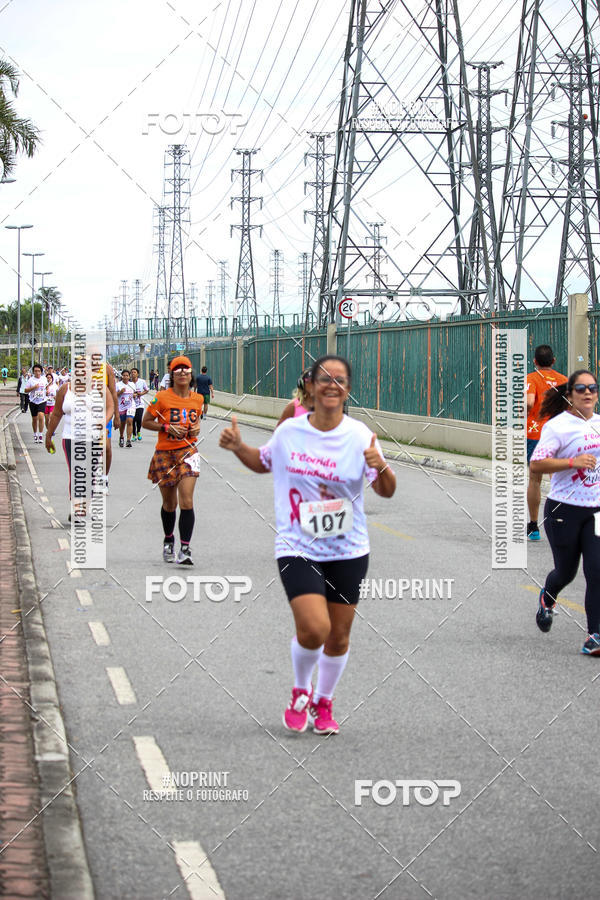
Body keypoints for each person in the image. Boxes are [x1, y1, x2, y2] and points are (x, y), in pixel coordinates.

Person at [219, 354, 396, 735]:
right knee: (315, 628)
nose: (332, 385)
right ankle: (301, 689)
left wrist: (380, 465)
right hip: (298, 545)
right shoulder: (290, 432)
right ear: (311, 387)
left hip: (348, 549)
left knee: (338, 636)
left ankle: (324, 701)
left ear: (348, 389)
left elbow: (386, 490)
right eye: (325, 379)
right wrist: (238, 447)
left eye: (340, 380)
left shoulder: (361, 435)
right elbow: (263, 462)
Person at [530, 370, 600, 654]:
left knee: (597, 571)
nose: (587, 393)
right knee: (566, 572)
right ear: (570, 394)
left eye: (592, 388)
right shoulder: (557, 427)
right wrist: (573, 461)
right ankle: (548, 597)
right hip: (563, 509)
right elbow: (536, 465)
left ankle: (594, 635)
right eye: (581, 388)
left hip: (595, 510)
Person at [142, 356, 203, 565]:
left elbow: (196, 424)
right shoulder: (161, 398)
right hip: (165, 454)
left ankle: (185, 549)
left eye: (186, 369)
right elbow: (146, 422)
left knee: (187, 500)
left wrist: (196, 429)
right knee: (170, 503)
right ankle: (169, 540)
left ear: (191, 372)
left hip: (188, 452)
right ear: (172, 374)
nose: (183, 373)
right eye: (178, 370)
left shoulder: (198, 399)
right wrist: (166, 427)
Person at [45, 376, 114, 520]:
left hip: (94, 437)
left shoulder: (99, 387)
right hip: (71, 437)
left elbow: (110, 407)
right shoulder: (66, 389)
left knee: (89, 473)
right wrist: (48, 435)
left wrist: (104, 421)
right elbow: (57, 413)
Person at [526, 345, 567, 541]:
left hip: (536, 434)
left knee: (535, 479)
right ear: (553, 361)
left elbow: (529, 402)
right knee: (558, 478)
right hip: (559, 434)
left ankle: (533, 527)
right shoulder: (564, 381)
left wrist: (525, 413)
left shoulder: (531, 378)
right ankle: (562, 522)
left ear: (535, 362)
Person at [24, 364, 47, 443]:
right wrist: (34, 387)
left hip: (42, 400)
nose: (37, 373)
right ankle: (35, 433)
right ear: (33, 372)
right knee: (34, 419)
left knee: (41, 416)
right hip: (33, 400)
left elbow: (46, 388)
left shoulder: (44, 379)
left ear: (41, 372)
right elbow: (26, 390)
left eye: (39, 371)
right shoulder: (31, 380)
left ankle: (40, 435)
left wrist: (47, 391)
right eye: (35, 371)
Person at [116, 369, 135, 448]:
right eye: (124, 375)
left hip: (131, 405)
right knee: (122, 423)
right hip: (121, 406)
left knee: (130, 421)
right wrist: (120, 392)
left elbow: (135, 393)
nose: (125, 377)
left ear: (129, 376)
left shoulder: (132, 384)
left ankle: (128, 440)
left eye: (127, 375)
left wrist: (135, 395)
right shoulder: (118, 385)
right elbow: (115, 395)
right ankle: (121, 437)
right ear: (122, 376)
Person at [130, 367, 149, 441]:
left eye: (134, 372)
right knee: (132, 420)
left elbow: (147, 390)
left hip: (140, 403)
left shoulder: (142, 382)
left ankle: (138, 432)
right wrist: (132, 395)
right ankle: (134, 434)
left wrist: (141, 393)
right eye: (132, 372)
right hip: (131, 404)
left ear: (137, 374)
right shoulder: (129, 383)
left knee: (138, 418)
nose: (133, 374)